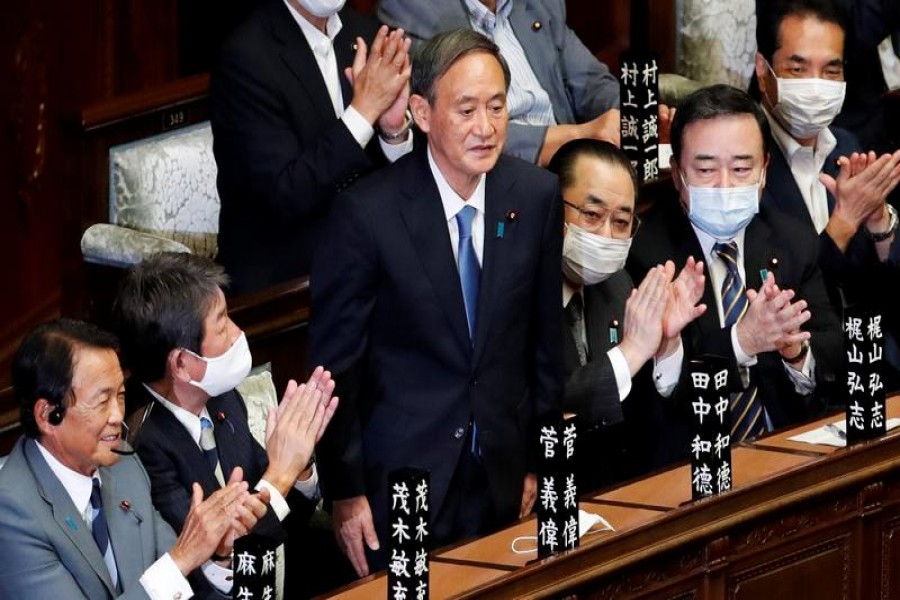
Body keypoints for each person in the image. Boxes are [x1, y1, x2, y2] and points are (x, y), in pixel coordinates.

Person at [310, 29, 563, 577]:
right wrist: (346, 494)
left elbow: (544, 346)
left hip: (500, 472)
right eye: (467, 109)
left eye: (497, 107)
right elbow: (338, 371)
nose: (487, 127)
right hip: (400, 484)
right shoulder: (366, 215)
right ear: (422, 114)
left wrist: (538, 463)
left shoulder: (536, 196)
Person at [627, 84, 843, 467]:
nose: (725, 185)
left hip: (786, 454)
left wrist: (796, 353)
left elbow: (832, 347)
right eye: (706, 170)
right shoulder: (645, 254)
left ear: (764, 172)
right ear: (677, 174)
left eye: (742, 168)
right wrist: (742, 341)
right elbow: (651, 396)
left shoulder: (791, 238)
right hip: (688, 463)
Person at [112, 252, 339, 597]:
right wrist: (279, 475)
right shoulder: (141, 449)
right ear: (183, 364)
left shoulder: (223, 401)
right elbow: (205, 573)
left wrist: (300, 464)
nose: (237, 333)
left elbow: (284, 521)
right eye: (222, 324)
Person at [0, 318, 268, 600]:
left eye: (121, 395)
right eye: (102, 402)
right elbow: (174, 567)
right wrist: (182, 558)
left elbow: (177, 579)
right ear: (48, 416)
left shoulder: (125, 469)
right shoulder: (11, 511)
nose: (117, 417)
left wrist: (219, 556)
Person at [211, 0, 414, 294]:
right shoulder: (246, 57)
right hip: (287, 286)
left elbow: (402, 181)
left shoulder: (367, 34)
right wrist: (362, 114)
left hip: (371, 262)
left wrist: (393, 132)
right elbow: (286, 194)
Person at [548, 139, 707, 489]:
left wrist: (665, 345)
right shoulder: (515, 293)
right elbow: (549, 410)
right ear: (549, 206)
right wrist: (633, 350)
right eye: (591, 215)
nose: (606, 235)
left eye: (621, 222)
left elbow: (648, 421)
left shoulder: (617, 284)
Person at [755, 0, 900, 299]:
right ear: (762, 69)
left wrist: (878, 223)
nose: (816, 86)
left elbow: (878, 286)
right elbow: (781, 296)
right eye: (798, 69)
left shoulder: (846, 146)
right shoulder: (740, 163)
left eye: (831, 71)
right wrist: (843, 224)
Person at [376, 0, 621, 166]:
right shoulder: (414, 8)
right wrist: (578, 137)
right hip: (495, 176)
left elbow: (592, 82)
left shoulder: (538, 5)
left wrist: (636, 115)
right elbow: (455, 128)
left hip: (575, 169)